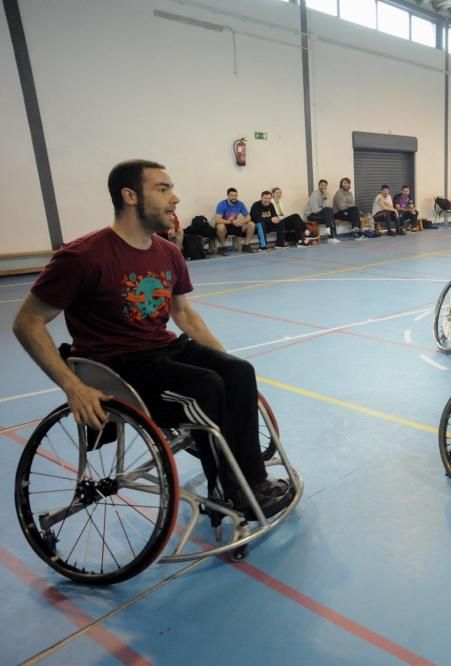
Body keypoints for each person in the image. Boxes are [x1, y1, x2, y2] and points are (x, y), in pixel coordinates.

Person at [11, 159, 295, 517]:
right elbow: (27, 322)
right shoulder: (83, 257)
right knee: (206, 387)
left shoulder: (168, 252)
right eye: (163, 189)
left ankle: (253, 481)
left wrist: (226, 361)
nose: (175, 199)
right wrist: (72, 386)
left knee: (238, 373)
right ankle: (226, 491)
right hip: (117, 365)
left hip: (161, 348)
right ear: (129, 196)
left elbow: (184, 313)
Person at [214, 187, 254, 255]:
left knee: (251, 224)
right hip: (225, 225)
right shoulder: (222, 204)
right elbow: (217, 219)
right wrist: (232, 222)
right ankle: (223, 247)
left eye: (235, 195)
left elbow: (248, 217)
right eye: (232, 195)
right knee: (220, 226)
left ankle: (246, 245)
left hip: (235, 225)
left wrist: (240, 222)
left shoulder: (240, 204)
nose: (234, 197)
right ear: (228, 196)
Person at [307, 179, 341, 243]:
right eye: (322, 185)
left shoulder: (325, 194)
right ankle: (332, 236)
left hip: (319, 214)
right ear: (319, 186)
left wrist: (325, 198)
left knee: (330, 212)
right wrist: (324, 210)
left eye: (325, 185)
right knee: (329, 214)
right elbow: (315, 210)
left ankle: (330, 235)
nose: (323, 187)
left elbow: (326, 207)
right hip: (311, 215)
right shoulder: (314, 194)